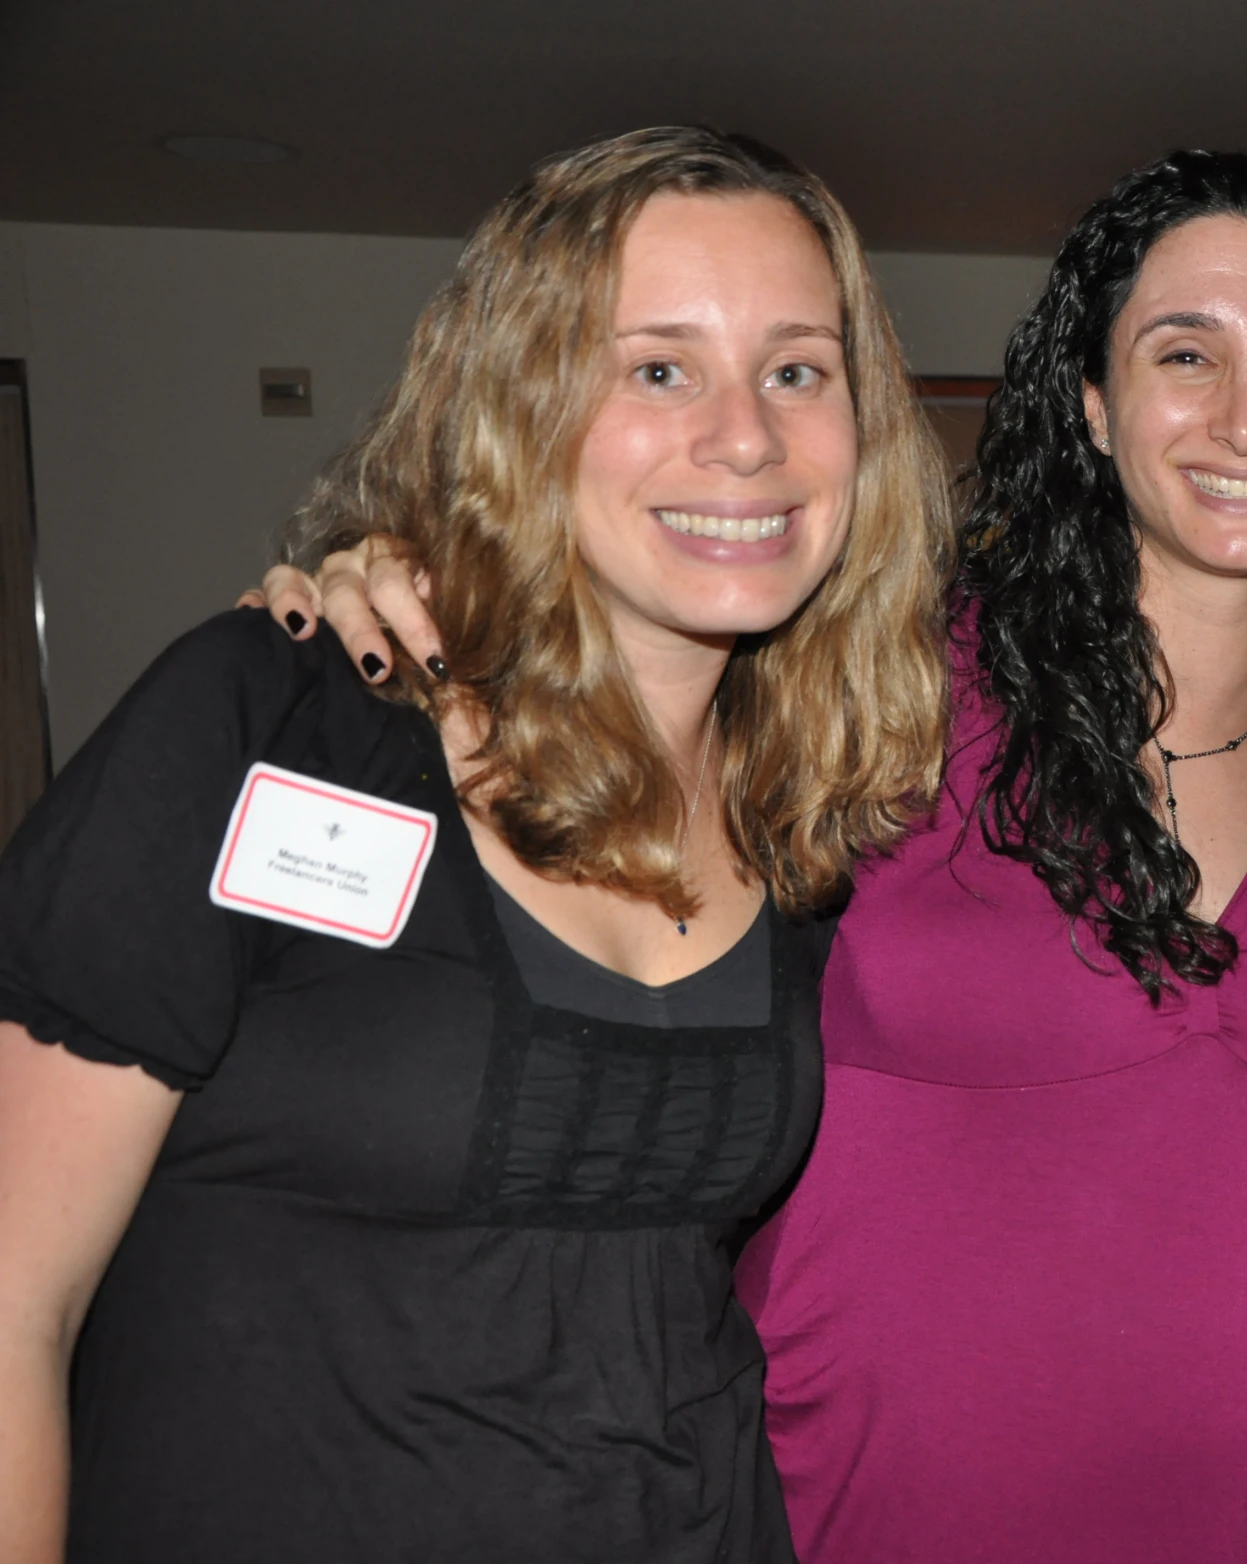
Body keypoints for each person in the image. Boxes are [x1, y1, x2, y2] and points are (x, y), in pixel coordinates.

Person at [256, 150, 1247, 1562]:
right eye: (1182, 350)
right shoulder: (873, 678)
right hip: (813, 1514)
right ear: (1089, 399)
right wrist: (370, 588)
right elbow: (598, 660)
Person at [0, 126, 952, 1564]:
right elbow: (14, 1300)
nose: (745, 435)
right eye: (655, 366)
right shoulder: (281, 719)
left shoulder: (819, 809)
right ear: (519, 402)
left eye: (796, 369)